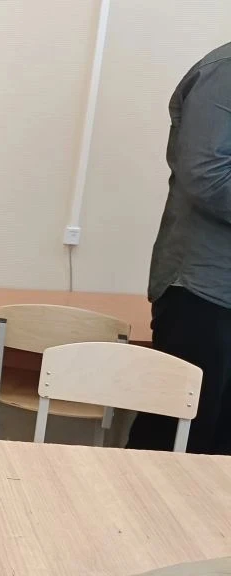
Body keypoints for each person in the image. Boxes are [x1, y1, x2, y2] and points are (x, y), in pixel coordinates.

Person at [128, 42, 231, 455]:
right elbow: (206, 176)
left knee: (219, 454)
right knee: (171, 446)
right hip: (203, 291)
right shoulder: (224, 72)